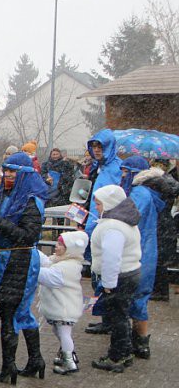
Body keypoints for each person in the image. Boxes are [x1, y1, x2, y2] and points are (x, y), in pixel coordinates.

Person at [0, 152, 48, 383]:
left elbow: (28, 236)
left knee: (10, 312)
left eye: (13, 171)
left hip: (20, 261)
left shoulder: (31, 200)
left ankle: (9, 367)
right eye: (6, 170)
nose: (8, 175)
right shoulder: (7, 194)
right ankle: (35, 360)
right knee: (20, 311)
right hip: (6, 259)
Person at [88, 185, 142, 373]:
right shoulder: (123, 220)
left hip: (120, 276)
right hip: (130, 272)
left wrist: (109, 284)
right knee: (121, 314)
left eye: (99, 203)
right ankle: (124, 351)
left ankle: (116, 357)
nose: (96, 207)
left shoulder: (113, 226)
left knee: (117, 317)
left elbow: (112, 258)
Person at [126, 162, 177, 359]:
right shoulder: (159, 198)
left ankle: (127, 344)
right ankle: (141, 343)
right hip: (150, 251)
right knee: (141, 298)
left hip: (137, 252)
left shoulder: (141, 195)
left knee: (128, 298)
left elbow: (131, 218)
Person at [84, 130, 124, 334]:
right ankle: (106, 320)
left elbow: (109, 201)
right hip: (95, 224)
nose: (96, 150)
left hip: (103, 226)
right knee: (97, 276)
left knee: (105, 278)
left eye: (100, 147)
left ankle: (111, 323)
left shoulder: (114, 168)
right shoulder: (99, 168)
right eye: (94, 147)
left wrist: (92, 227)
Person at [36, 231, 88, 375]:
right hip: (62, 307)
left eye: (60, 244)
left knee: (64, 333)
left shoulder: (66, 268)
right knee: (59, 332)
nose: (56, 246)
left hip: (64, 308)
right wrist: (34, 252)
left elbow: (48, 276)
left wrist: (31, 268)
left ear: (69, 249)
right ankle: (69, 353)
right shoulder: (62, 261)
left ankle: (69, 361)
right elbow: (48, 262)